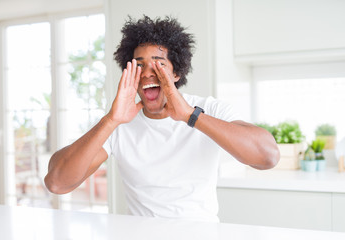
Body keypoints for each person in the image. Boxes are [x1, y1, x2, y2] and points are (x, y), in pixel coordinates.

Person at [44, 15, 279, 222]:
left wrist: (190, 115)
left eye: (158, 64)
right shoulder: (119, 123)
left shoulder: (209, 109)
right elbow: (57, 183)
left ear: (176, 73)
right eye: (139, 66)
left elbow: (267, 156)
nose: (147, 73)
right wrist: (111, 120)